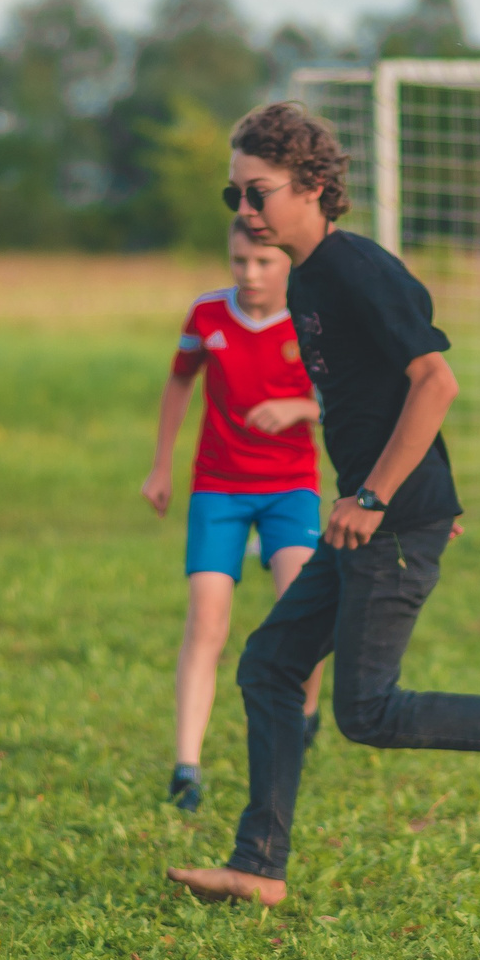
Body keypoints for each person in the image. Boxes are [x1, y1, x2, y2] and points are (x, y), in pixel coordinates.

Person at [166, 103, 480, 906]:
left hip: (387, 519)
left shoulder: (356, 270)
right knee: (268, 666)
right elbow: (375, 402)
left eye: (257, 192)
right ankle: (258, 865)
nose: (245, 212)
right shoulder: (307, 279)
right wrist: (409, 489)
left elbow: (435, 382)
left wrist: (381, 493)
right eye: (234, 196)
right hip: (377, 514)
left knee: (366, 711)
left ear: (314, 186)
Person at [139, 222, 325, 813]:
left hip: (291, 488)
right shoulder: (207, 315)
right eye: (239, 261)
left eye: (263, 262)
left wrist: (300, 406)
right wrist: (161, 466)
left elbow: (345, 395)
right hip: (218, 488)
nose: (248, 274)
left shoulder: (312, 317)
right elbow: (178, 382)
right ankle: (186, 768)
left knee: (302, 608)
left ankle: (307, 713)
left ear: (287, 262)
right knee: (207, 620)